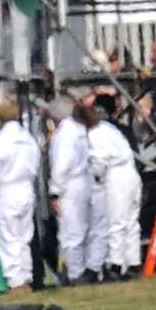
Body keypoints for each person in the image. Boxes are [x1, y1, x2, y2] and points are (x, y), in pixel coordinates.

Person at [0, 93, 40, 292]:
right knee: (25, 236)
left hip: (6, 190)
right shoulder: (27, 138)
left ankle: (16, 282)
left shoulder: (0, 141)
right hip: (26, 187)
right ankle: (26, 276)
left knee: (9, 237)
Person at [84, 101, 143, 279]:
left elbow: (99, 161)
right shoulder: (110, 128)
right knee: (132, 221)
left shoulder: (94, 134)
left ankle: (115, 265)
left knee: (116, 222)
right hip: (131, 173)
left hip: (116, 175)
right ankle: (133, 262)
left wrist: (96, 176)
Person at [47, 97, 95, 284]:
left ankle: (75, 274)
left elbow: (61, 164)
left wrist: (54, 191)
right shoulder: (79, 129)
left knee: (70, 230)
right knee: (82, 228)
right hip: (83, 181)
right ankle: (82, 269)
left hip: (69, 185)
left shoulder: (64, 133)